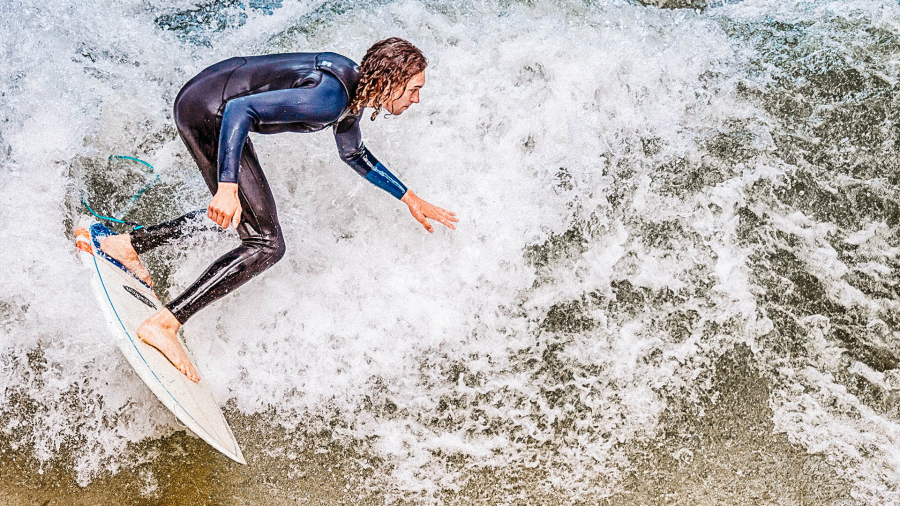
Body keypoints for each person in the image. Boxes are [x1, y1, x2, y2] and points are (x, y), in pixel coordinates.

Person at [98, 38, 457, 382]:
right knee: (266, 243)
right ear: (388, 81)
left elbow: (353, 153)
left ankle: (126, 245)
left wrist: (410, 198)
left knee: (249, 219)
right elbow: (240, 109)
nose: (417, 99)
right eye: (413, 89)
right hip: (209, 112)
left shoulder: (352, 90)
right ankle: (164, 324)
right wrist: (227, 186)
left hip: (208, 100)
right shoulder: (330, 98)